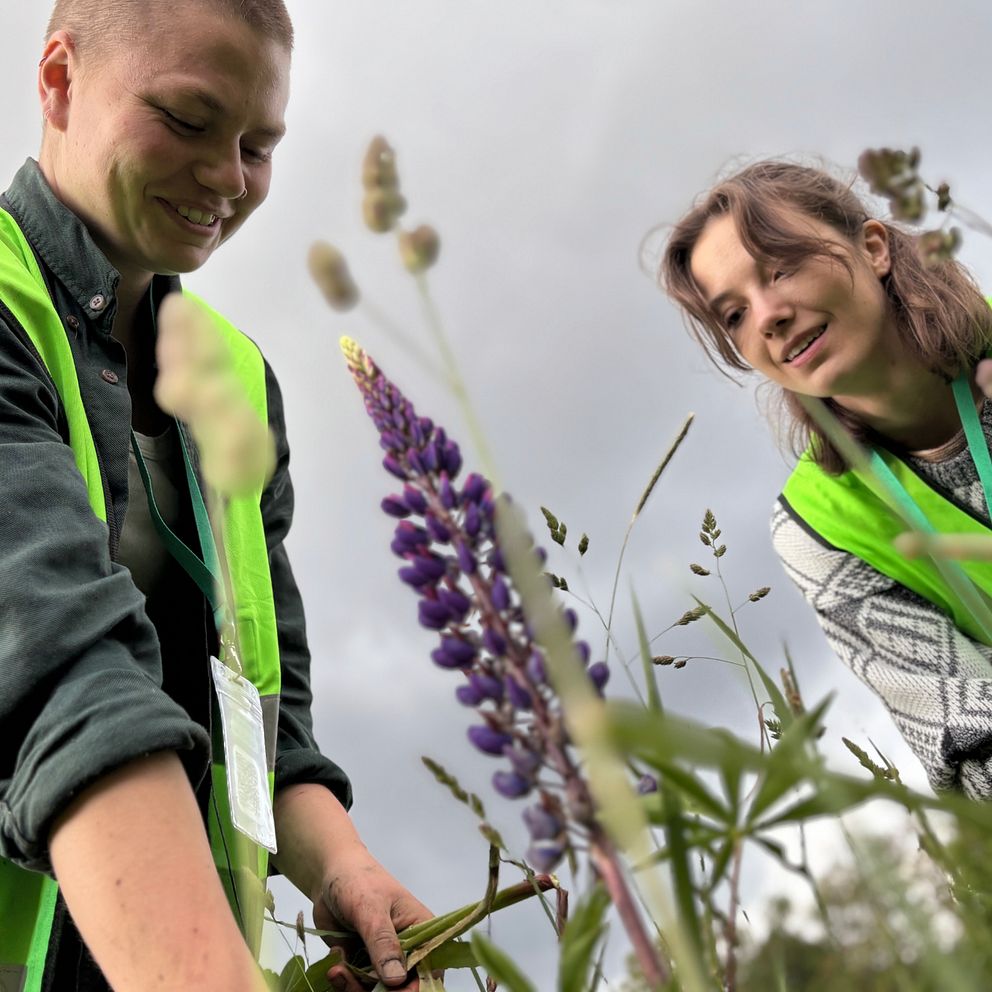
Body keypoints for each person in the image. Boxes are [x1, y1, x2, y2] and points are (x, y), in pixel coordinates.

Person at [0, 1, 431, 990]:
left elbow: (267, 709)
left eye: (258, 146)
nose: (230, 177)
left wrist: (345, 866)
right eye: (188, 121)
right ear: (59, 81)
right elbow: (52, 660)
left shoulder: (236, 379)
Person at [660, 160, 992, 799]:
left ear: (874, 249)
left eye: (780, 268)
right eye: (734, 314)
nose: (767, 317)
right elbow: (972, 748)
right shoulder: (815, 527)